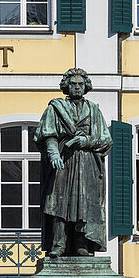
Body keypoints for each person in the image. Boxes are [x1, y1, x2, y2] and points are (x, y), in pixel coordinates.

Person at [34, 68, 113, 258]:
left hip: (87, 164)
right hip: (63, 162)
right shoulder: (55, 108)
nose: (77, 88)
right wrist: (53, 154)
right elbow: (48, 134)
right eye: (73, 84)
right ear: (66, 86)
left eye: (80, 84)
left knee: (84, 205)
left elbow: (106, 139)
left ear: (86, 86)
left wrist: (86, 141)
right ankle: (58, 243)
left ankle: (81, 243)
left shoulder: (94, 110)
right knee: (58, 203)